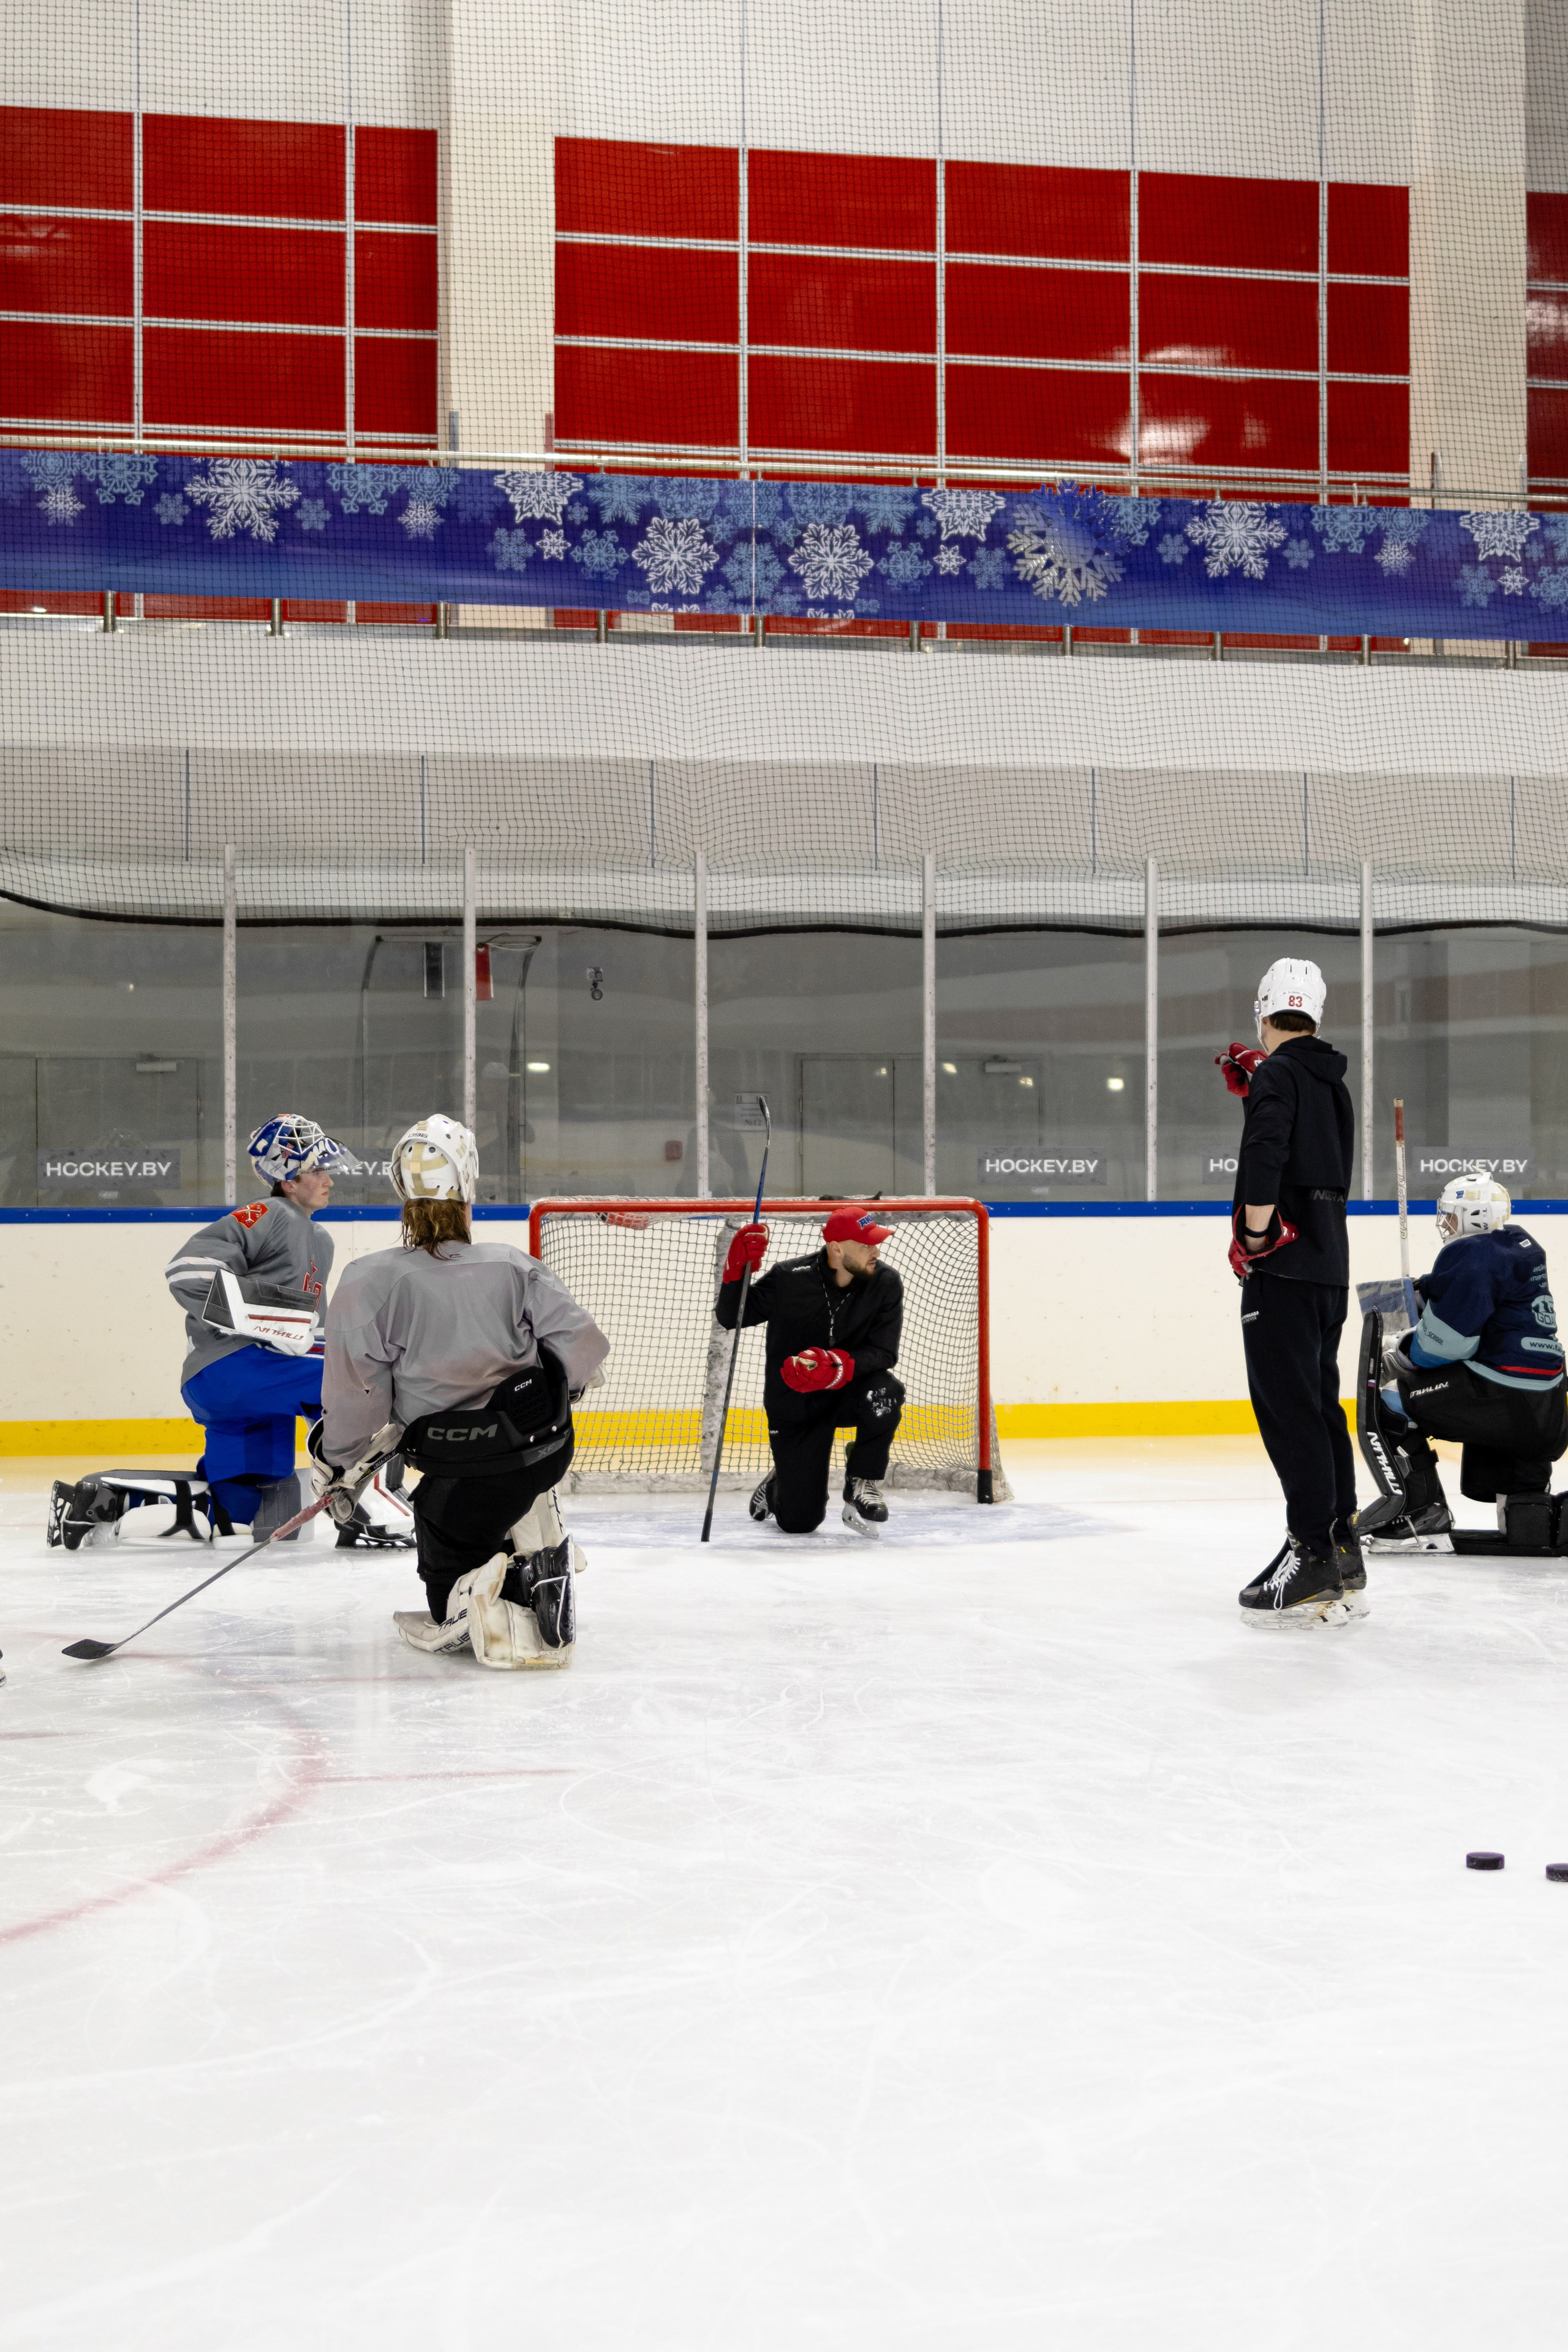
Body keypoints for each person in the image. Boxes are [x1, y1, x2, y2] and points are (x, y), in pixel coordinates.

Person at [311, 1114, 609, 1668]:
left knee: (447, 1573)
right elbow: (586, 1351)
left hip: (457, 1464)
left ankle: (487, 1587)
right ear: (470, 1185)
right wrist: (557, 1388)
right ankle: (533, 1552)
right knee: (514, 1484)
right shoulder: (515, 1266)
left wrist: (338, 1463)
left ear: (401, 1191)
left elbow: (357, 1397)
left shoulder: (368, 1280)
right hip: (542, 1450)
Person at [163, 1113, 412, 1546]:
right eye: (316, 1170)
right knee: (353, 1385)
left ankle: (168, 1508)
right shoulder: (270, 1212)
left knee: (247, 1505)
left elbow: (312, 1332)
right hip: (230, 1366)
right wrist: (267, 1316)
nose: (328, 1180)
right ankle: (365, 1508)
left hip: (246, 1387)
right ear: (288, 1180)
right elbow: (187, 1270)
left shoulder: (318, 1238)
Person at [1218, 957, 1362, 1624]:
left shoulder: (1280, 1072)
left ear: (1263, 1008)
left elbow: (1268, 1152)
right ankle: (1339, 1545)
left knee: (1288, 1411)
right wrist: (1259, 1090)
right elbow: (1313, 1153)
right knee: (1320, 1407)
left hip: (1284, 1269)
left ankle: (1308, 1554)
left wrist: (1254, 1234)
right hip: (1328, 1266)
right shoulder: (1330, 1079)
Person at [1358, 1169, 1567, 1546]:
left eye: (1451, 1214)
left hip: (1502, 1393)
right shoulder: (1520, 1243)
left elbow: (1448, 1346)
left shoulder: (1469, 1253)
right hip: (1546, 1400)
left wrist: (1403, 1354)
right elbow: (1480, 1291)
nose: (1445, 1223)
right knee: (1511, 1438)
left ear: (1475, 1216)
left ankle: (1419, 1515)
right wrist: (1428, 1289)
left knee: (1389, 1400)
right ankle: (1525, 1519)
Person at [716, 1204, 905, 1537]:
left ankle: (863, 1478)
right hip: (795, 1404)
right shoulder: (789, 1278)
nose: (876, 1251)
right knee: (800, 1523)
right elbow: (733, 1317)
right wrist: (736, 1273)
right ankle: (780, 1482)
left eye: (876, 1243)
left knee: (886, 1390)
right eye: (865, 1245)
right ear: (836, 1248)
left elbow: (885, 1353)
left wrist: (839, 1367)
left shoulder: (885, 1282)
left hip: (848, 1393)